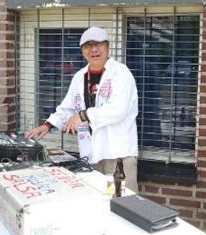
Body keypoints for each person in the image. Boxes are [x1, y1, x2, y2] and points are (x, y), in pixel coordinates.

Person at [26, 27, 140, 192]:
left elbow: (118, 110)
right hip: (92, 153)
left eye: (98, 44)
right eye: (88, 45)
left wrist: (83, 115)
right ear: (82, 51)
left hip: (117, 154)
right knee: (100, 198)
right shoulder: (80, 76)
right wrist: (48, 125)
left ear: (107, 46)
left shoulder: (121, 73)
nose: (93, 49)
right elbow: (67, 107)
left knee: (122, 200)